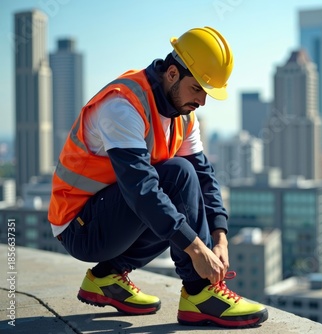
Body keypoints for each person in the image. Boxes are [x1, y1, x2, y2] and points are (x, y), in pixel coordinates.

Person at [48, 26, 268, 328]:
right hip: (80, 226)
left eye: (207, 93)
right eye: (198, 89)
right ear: (173, 74)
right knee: (177, 175)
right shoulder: (123, 105)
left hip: (111, 215)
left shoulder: (184, 115)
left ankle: (106, 278)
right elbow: (141, 190)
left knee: (185, 178)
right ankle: (200, 293)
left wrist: (220, 236)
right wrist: (196, 248)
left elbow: (205, 178)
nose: (202, 101)